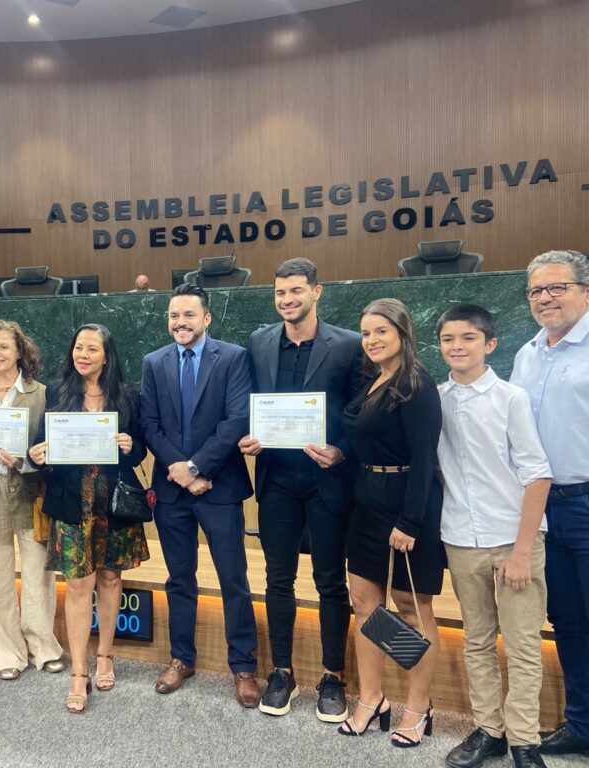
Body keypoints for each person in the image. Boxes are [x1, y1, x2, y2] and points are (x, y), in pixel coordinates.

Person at [239, 257, 362, 721]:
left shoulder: (349, 346)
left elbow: (359, 412)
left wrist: (343, 451)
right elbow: (251, 405)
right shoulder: (259, 342)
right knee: (277, 578)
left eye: (295, 291)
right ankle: (283, 671)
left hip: (327, 479)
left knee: (331, 581)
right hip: (276, 480)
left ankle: (333, 676)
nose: (287, 300)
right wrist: (249, 437)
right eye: (279, 293)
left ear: (317, 291)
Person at [436, 304, 552, 768]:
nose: (457, 347)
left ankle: (525, 739)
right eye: (448, 339)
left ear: (490, 344)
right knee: (477, 640)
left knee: (523, 643)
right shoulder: (436, 397)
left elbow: (537, 474)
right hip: (460, 537)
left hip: (513, 539)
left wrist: (523, 550)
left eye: (468, 338)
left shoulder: (511, 397)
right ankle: (490, 731)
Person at [140, 283, 259, 708]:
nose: (180, 323)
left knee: (233, 579)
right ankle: (181, 658)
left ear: (206, 318)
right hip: (173, 492)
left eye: (189, 315)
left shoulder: (232, 357)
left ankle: (244, 665)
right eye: (174, 316)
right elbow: (149, 424)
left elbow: (236, 419)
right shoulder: (153, 362)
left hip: (220, 487)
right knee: (179, 579)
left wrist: (197, 467)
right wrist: (182, 471)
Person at [510, 250, 589, 760]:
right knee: (568, 625)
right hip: (545, 508)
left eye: (556, 288)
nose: (544, 298)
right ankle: (588, 728)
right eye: (536, 291)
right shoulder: (528, 353)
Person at [338, 298, 443, 746]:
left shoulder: (417, 385)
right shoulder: (372, 380)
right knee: (365, 605)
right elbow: (366, 442)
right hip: (366, 506)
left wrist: (412, 522)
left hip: (405, 507)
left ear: (403, 333)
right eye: (366, 333)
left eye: (381, 331)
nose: (372, 340)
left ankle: (419, 707)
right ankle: (371, 698)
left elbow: (424, 461)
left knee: (410, 610)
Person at [29, 323, 148, 713]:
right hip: (72, 502)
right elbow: (36, 446)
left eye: (91, 349)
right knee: (79, 585)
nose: (82, 355)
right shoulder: (56, 393)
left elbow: (138, 450)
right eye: (78, 347)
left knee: (112, 578)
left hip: (112, 501)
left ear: (106, 355)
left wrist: (131, 447)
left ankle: (106, 655)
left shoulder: (128, 396)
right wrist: (37, 455)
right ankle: (79, 671)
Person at [0, 319, 64, 680]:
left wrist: (25, 460)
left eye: (4, 347)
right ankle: (5, 652)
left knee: (38, 577)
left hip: (29, 494)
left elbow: (52, 449)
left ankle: (43, 647)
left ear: (20, 351)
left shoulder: (42, 394)